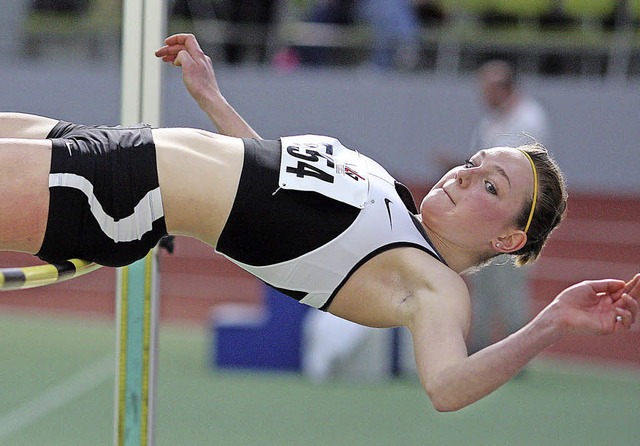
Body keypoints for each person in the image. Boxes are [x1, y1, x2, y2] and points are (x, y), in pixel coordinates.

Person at [0, 34, 637, 413]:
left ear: (507, 239)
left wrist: (550, 320)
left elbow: (445, 386)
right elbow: (264, 189)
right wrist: (212, 98)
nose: (467, 174)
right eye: (476, 163)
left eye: (490, 186)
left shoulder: (432, 284)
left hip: (120, 190)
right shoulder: (389, 196)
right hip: (125, 148)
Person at [467, 59, 552, 356]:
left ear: (503, 88)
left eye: (488, 88)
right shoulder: (490, 122)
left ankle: (519, 352)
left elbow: (512, 171)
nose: (483, 95)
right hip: (487, 216)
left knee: (510, 286)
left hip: (517, 218)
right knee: (483, 281)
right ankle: (477, 346)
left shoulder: (528, 118)